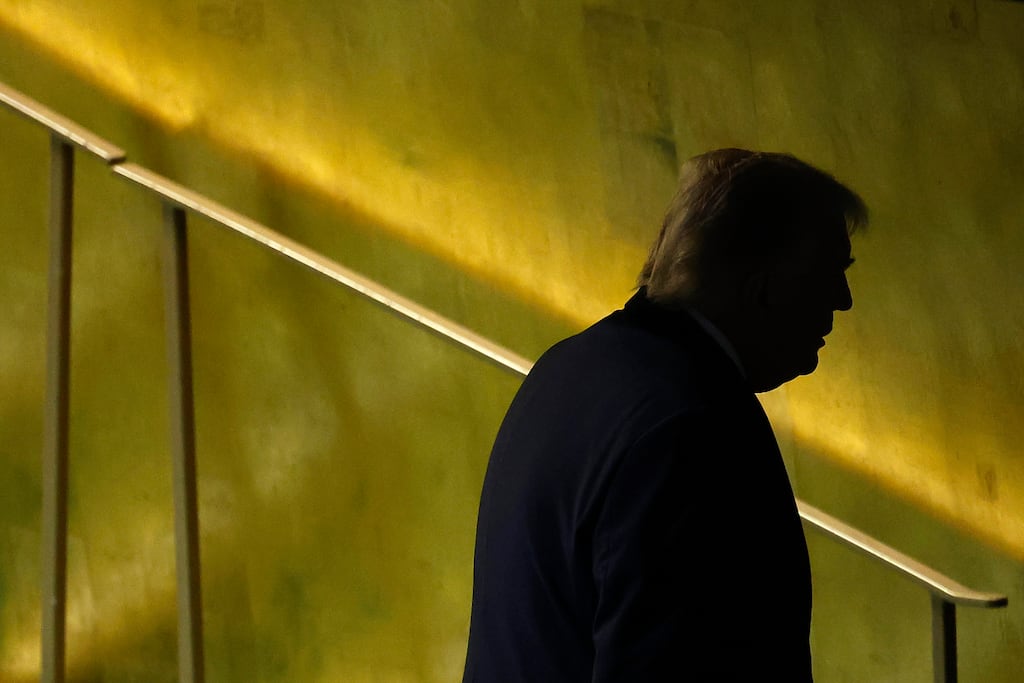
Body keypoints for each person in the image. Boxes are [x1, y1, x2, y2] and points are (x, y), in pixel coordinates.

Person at [462, 148, 868, 682]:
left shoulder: (569, 367)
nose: (843, 300)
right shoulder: (694, 429)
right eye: (829, 273)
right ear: (761, 281)